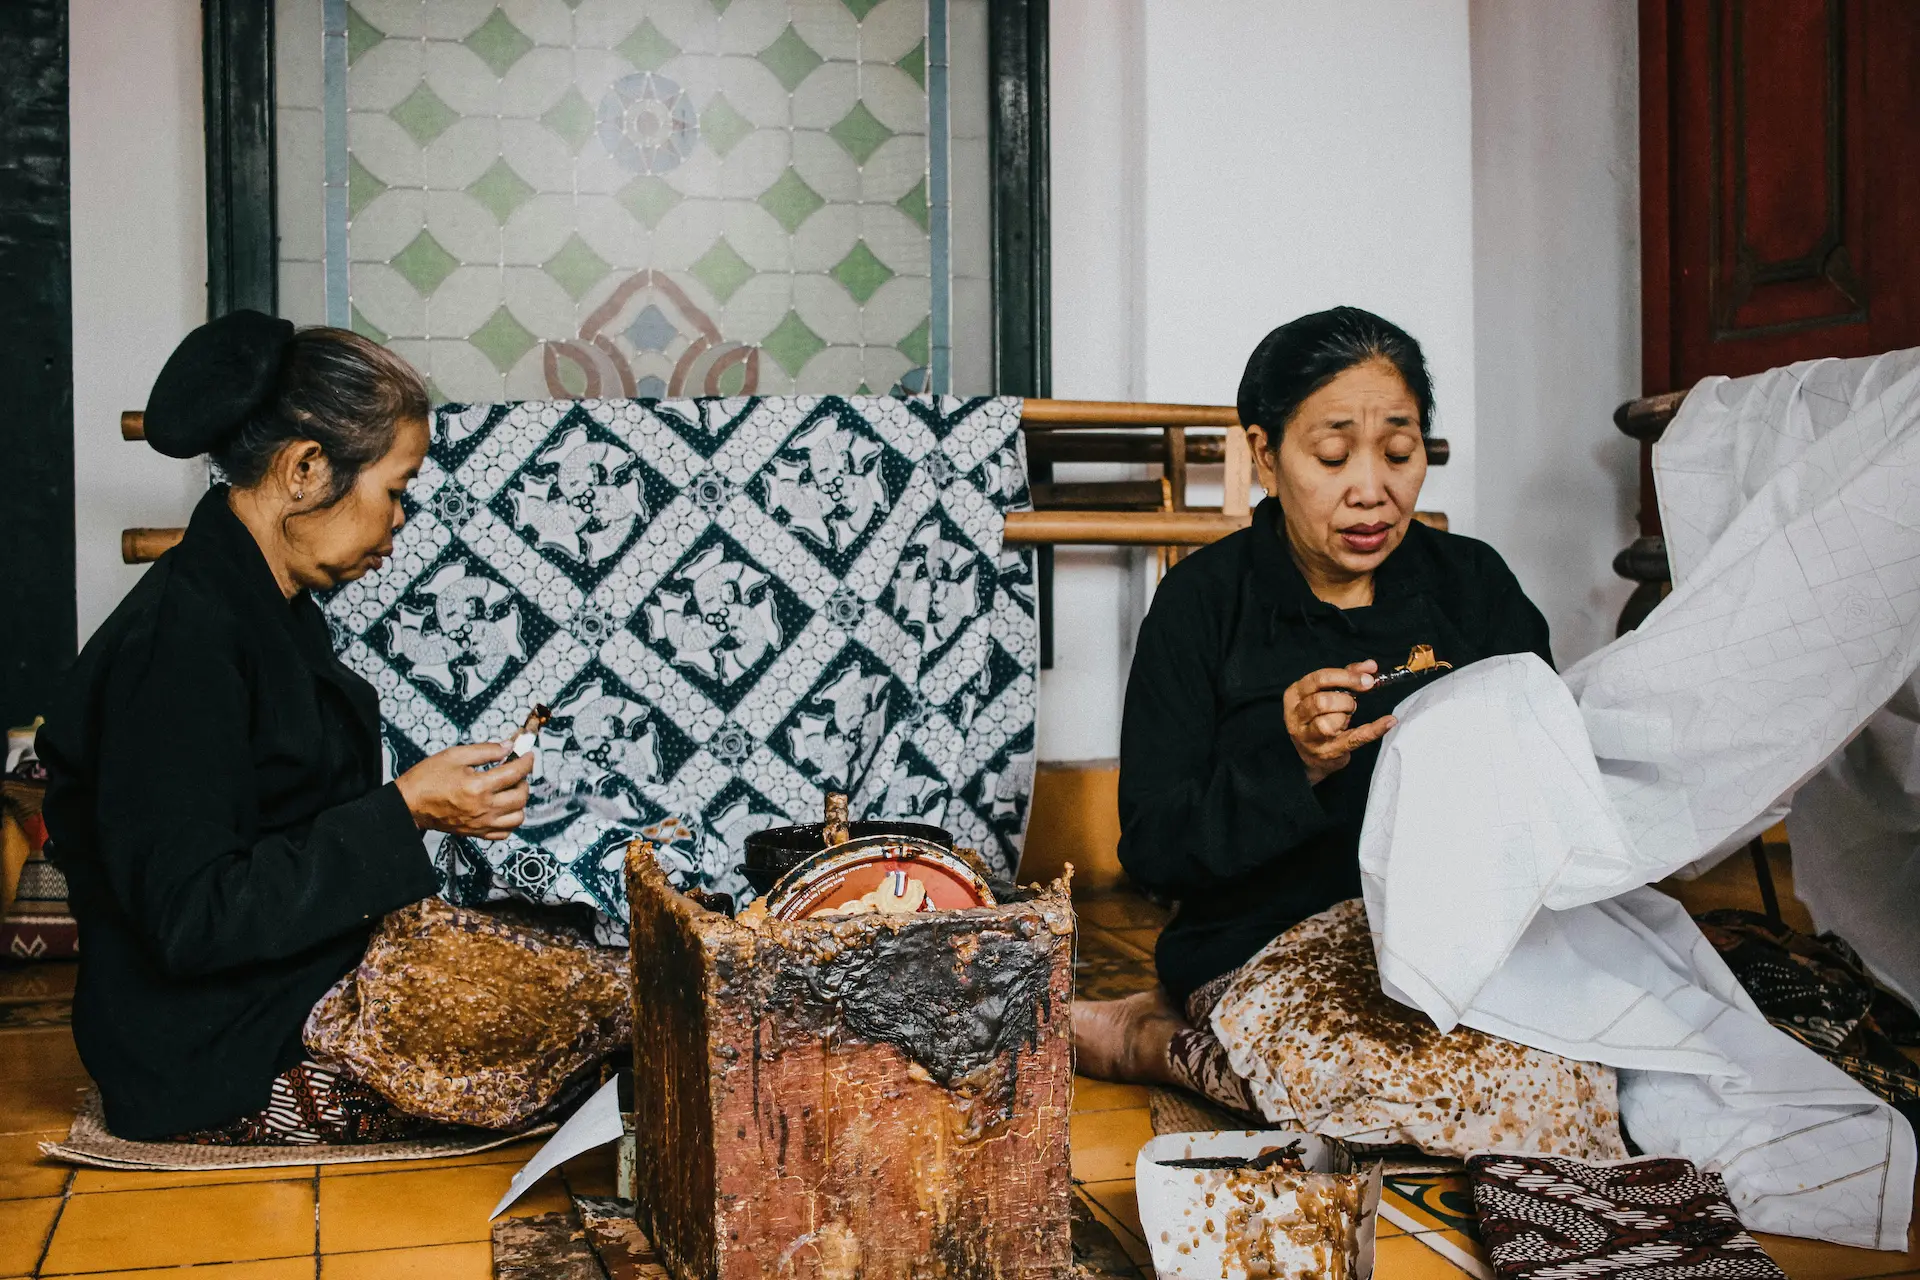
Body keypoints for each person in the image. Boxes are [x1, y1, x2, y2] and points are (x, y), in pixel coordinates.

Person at [38, 312, 535, 1143]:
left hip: (279, 988)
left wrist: (415, 812)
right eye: (395, 490)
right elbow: (194, 916)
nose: (401, 522)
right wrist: (405, 809)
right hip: (214, 1048)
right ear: (306, 468)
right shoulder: (181, 643)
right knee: (596, 1024)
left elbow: (282, 827)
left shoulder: (268, 606)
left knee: (591, 972)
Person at [1072, 306, 1552, 1109]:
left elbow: (1548, 777)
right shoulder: (1203, 605)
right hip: (1263, 947)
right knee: (1377, 1092)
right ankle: (1147, 1040)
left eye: (1400, 453)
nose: (1373, 490)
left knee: (1596, 1072)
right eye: (1332, 457)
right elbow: (1154, 848)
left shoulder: (1473, 586)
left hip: (1453, 939)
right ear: (1265, 454)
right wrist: (1288, 762)